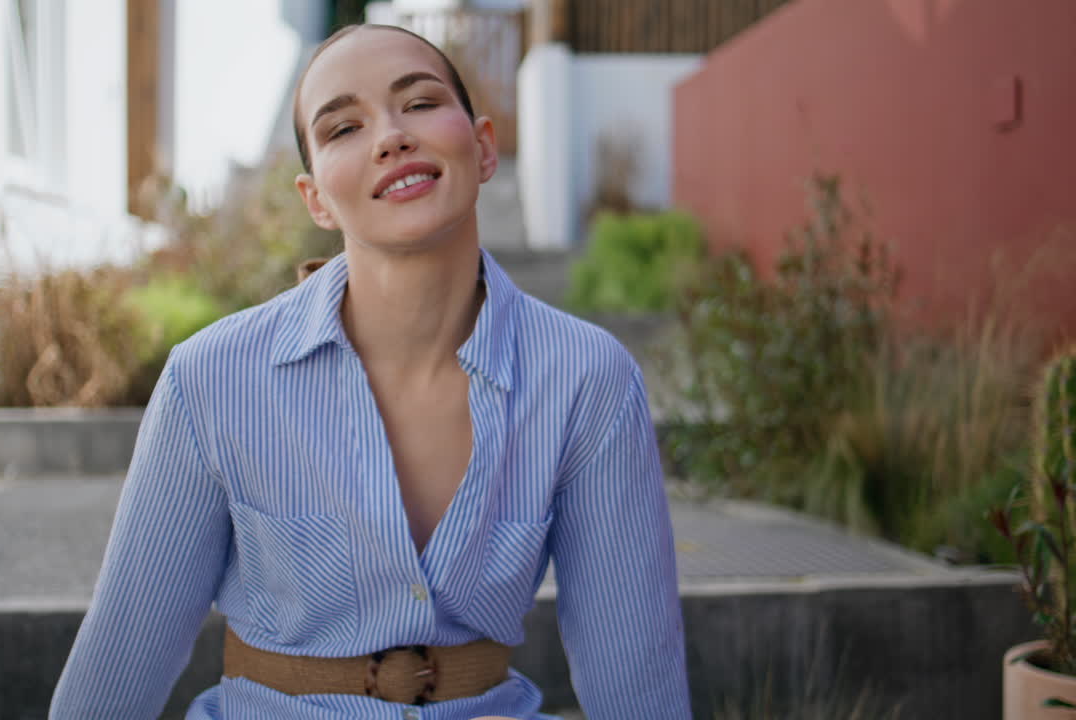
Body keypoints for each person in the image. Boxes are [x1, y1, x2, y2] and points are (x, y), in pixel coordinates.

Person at [49, 23, 691, 720]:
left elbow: (638, 682)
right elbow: (118, 670)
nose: (391, 136)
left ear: (481, 147)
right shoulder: (211, 380)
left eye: (418, 104)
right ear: (316, 198)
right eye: (344, 128)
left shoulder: (588, 381)